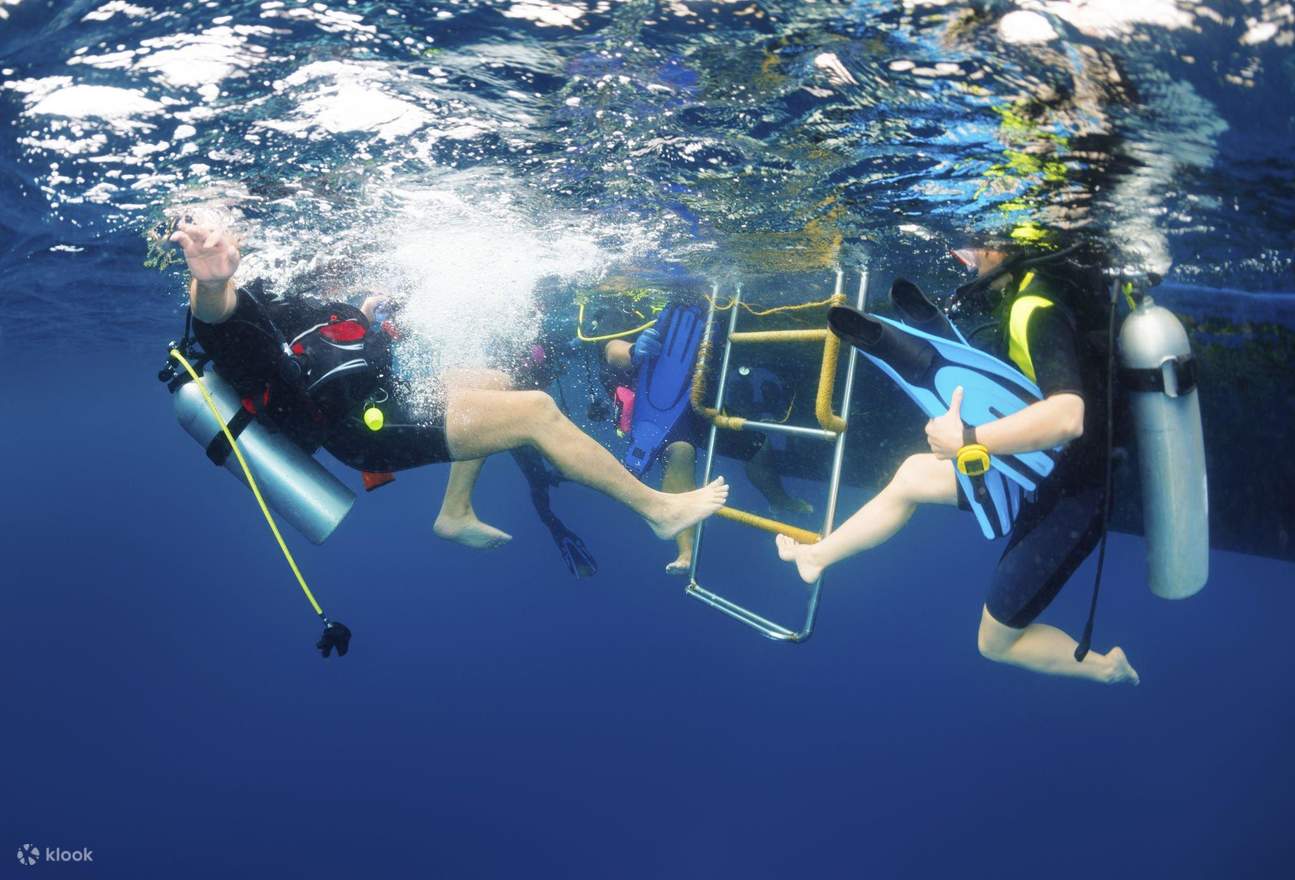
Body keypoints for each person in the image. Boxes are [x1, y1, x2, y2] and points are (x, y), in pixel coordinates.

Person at [168, 220, 728, 552]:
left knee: (495, 381)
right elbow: (217, 313)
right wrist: (209, 278)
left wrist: (370, 314)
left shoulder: (305, 299)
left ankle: (454, 513)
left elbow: (337, 343)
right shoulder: (243, 313)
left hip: (383, 403)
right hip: (368, 431)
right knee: (534, 410)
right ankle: (656, 510)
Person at [775, 245, 1140, 685]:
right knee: (912, 476)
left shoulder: (1033, 306)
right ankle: (816, 557)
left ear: (998, 248)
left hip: (1076, 495)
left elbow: (1067, 417)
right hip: (1040, 464)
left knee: (995, 644)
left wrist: (966, 439)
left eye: (972, 252)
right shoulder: (1053, 291)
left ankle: (1107, 669)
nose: (965, 262)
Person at [604, 327, 811, 575]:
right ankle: (686, 549)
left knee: (757, 444)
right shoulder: (634, 310)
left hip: (695, 396)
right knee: (680, 452)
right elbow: (608, 348)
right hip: (657, 403)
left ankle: (778, 500)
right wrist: (633, 350)